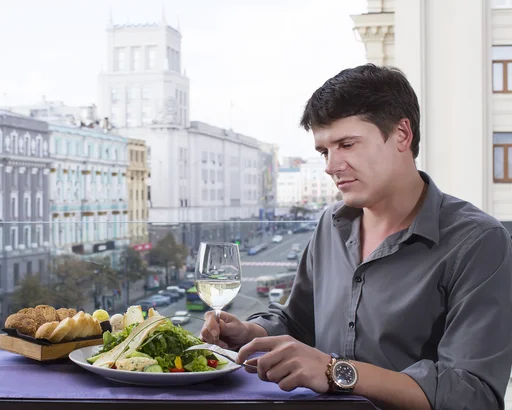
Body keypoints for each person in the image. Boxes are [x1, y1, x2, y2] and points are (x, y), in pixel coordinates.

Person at [200, 64, 512, 410]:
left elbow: (472, 395)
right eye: (324, 151)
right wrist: (251, 333)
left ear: (401, 135)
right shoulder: (329, 225)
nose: (331, 166)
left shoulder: (479, 242)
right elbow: (298, 321)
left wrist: (337, 372)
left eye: (346, 144)